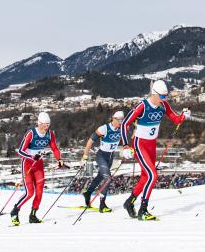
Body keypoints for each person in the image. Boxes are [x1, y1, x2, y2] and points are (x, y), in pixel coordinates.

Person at [120, 80, 190, 220]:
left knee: (146, 176)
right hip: (140, 144)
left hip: (152, 145)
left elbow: (176, 119)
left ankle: (129, 202)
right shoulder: (142, 106)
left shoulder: (163, 105)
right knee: (153, 175)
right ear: (154, 94)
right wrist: (126, 146)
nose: (164, 99)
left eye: (166, 96)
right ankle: (143, 211)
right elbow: (124, 124)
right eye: (162, 97)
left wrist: (184, 116)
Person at [10, 111, 63, 225]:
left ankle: (33, 215)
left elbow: (54, 148)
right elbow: (20, 151)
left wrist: (59, 159)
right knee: (30, 193)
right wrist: (31, 157)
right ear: (38, 123)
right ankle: (15, 210)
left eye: (48, 124)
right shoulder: (31, 133)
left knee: (39, 192)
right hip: (28, 164)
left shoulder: (50, 134)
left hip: (38, 165)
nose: (46, 127)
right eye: (44, 124)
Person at [81, 111, 124, 213]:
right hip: (101, 156)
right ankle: (102, 204)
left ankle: (88, 192)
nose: (121, 122)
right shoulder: (104, 128)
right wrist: (85, 156)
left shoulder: (122, 128)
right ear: (113, 119)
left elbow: (131, 138)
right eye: (119, 120)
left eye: (122, 120)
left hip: (110, 157)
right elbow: (90, 141)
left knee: (101, 177)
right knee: (108, 179)